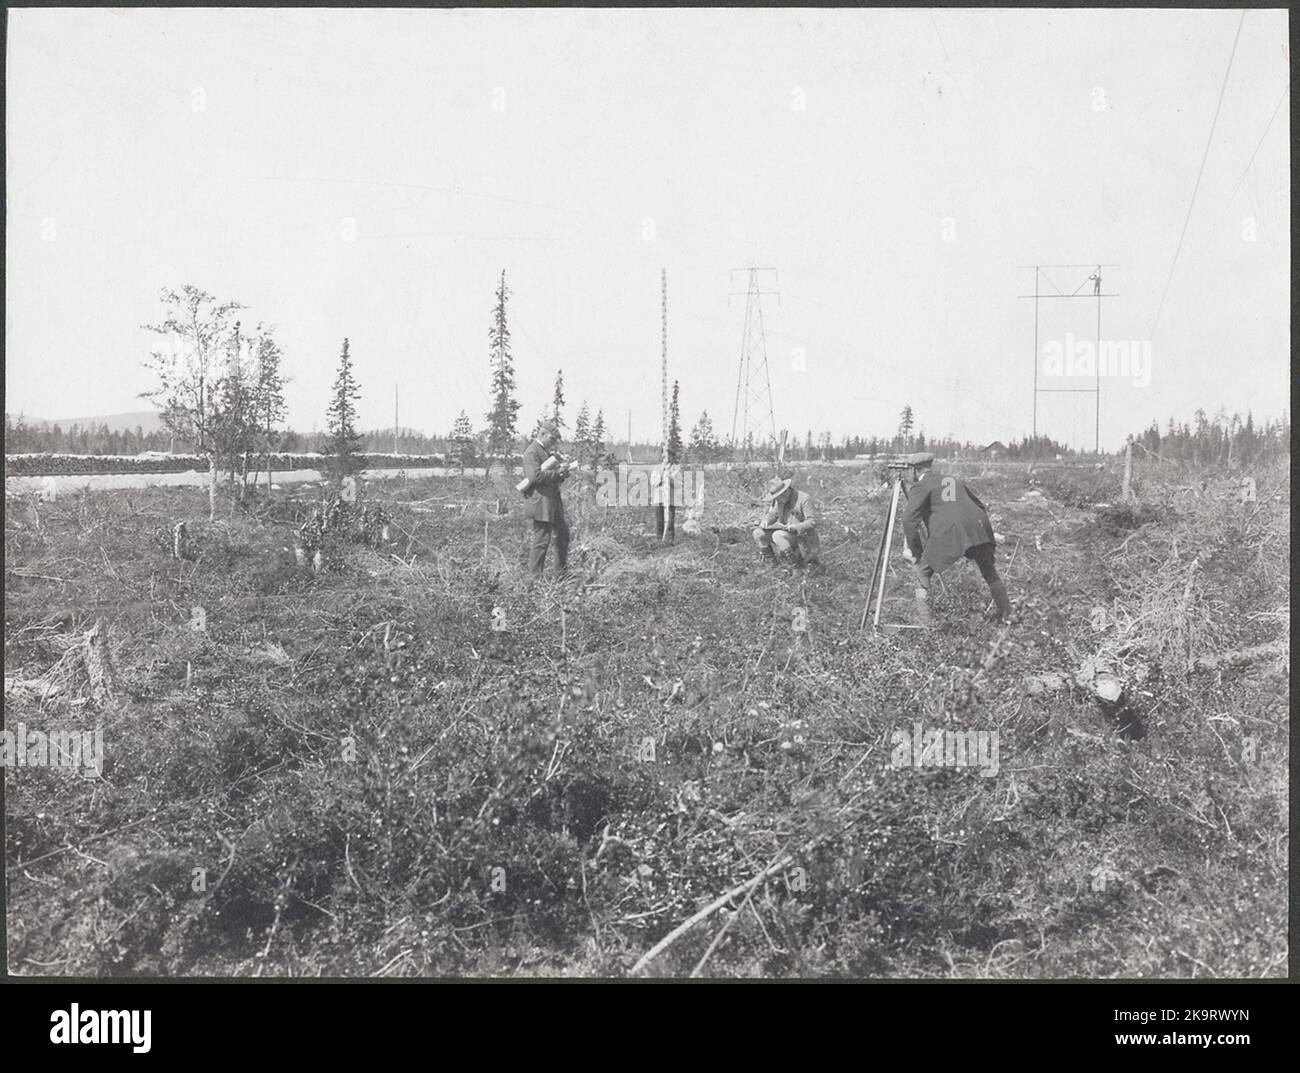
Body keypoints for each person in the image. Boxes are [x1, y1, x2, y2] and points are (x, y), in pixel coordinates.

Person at [901, 453, 1011, 624]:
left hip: (951, 531)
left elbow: (908, 521)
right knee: (989, 570)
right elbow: (979, 504)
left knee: (921, 572)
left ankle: (925, 623)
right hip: (979, 526)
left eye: (907, 470)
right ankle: (1006, 613)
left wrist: (916, 552)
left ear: (913, 470)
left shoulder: (920, 485)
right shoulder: (951, 479)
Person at [522, 422, 573, 577]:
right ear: (542, 434)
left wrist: (562, 474)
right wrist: (557, 473)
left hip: (551, 502)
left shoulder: (543, 451)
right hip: (541, 503)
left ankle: (561, 575)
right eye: (552, 438)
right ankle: (534, 579)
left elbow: (550, 476)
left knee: (563, 535)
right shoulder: (531, 452)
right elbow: (535, 476)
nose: (554, 442)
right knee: (541, 541)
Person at [752, 475, 820, 567]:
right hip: (786, 533)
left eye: (778, 497)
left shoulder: (804, 499)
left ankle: (796, 566)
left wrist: (795, 527)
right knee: (758, 533)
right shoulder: (780, 500)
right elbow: (773, 515)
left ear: (786, 492)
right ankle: (773, 563)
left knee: (777, 535)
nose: (777, 500)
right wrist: (766, 521)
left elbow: (813, 521)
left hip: (802, 537)